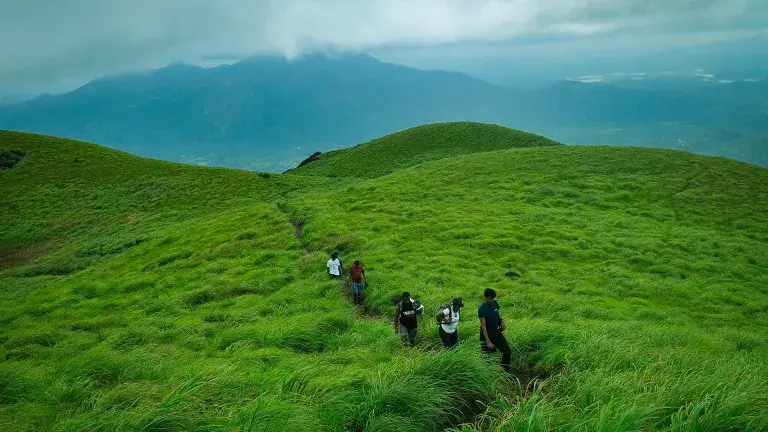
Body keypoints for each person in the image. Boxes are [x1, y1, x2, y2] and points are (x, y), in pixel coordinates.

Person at [478, 288, 511, 371]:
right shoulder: (482, 308)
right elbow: (483, 326)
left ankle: (505, 372)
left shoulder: (495, 303)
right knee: (486, 357)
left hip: (496, 332)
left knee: (507, 351)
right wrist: (488, 341)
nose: (494, 300)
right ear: (487, 297)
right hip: (486, 334)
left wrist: (502, 321)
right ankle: (487, 375)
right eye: (492, 298)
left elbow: (497, 315)